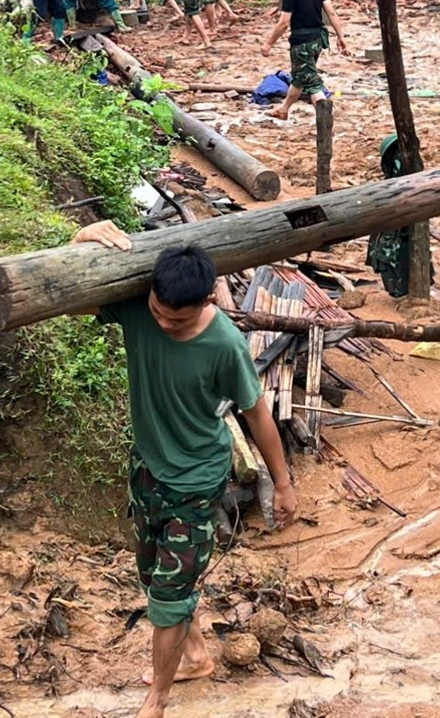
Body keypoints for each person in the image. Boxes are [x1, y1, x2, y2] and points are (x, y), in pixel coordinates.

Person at [71, 221, 298, 718]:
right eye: (159, 314)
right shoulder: (136, 311)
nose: (166, 326)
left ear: (207, 300)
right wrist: (81, 238)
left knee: (170, 597)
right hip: (149, 468)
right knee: (158, 579)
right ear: (149, 295)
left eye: (179, 320)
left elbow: (256, 412)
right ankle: (194, 655)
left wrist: (282, 483)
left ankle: (158, 701)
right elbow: (69, 296)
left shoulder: (224, 343)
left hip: (196, 481)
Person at [260, 0, 347, 121]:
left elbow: (284, 22)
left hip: (302, 43)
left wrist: (269, 43)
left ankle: (325, 121)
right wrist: (341, 36)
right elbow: (332, 13)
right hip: (317, 40)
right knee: (300, 79)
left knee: (313, 85)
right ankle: (284, 109)